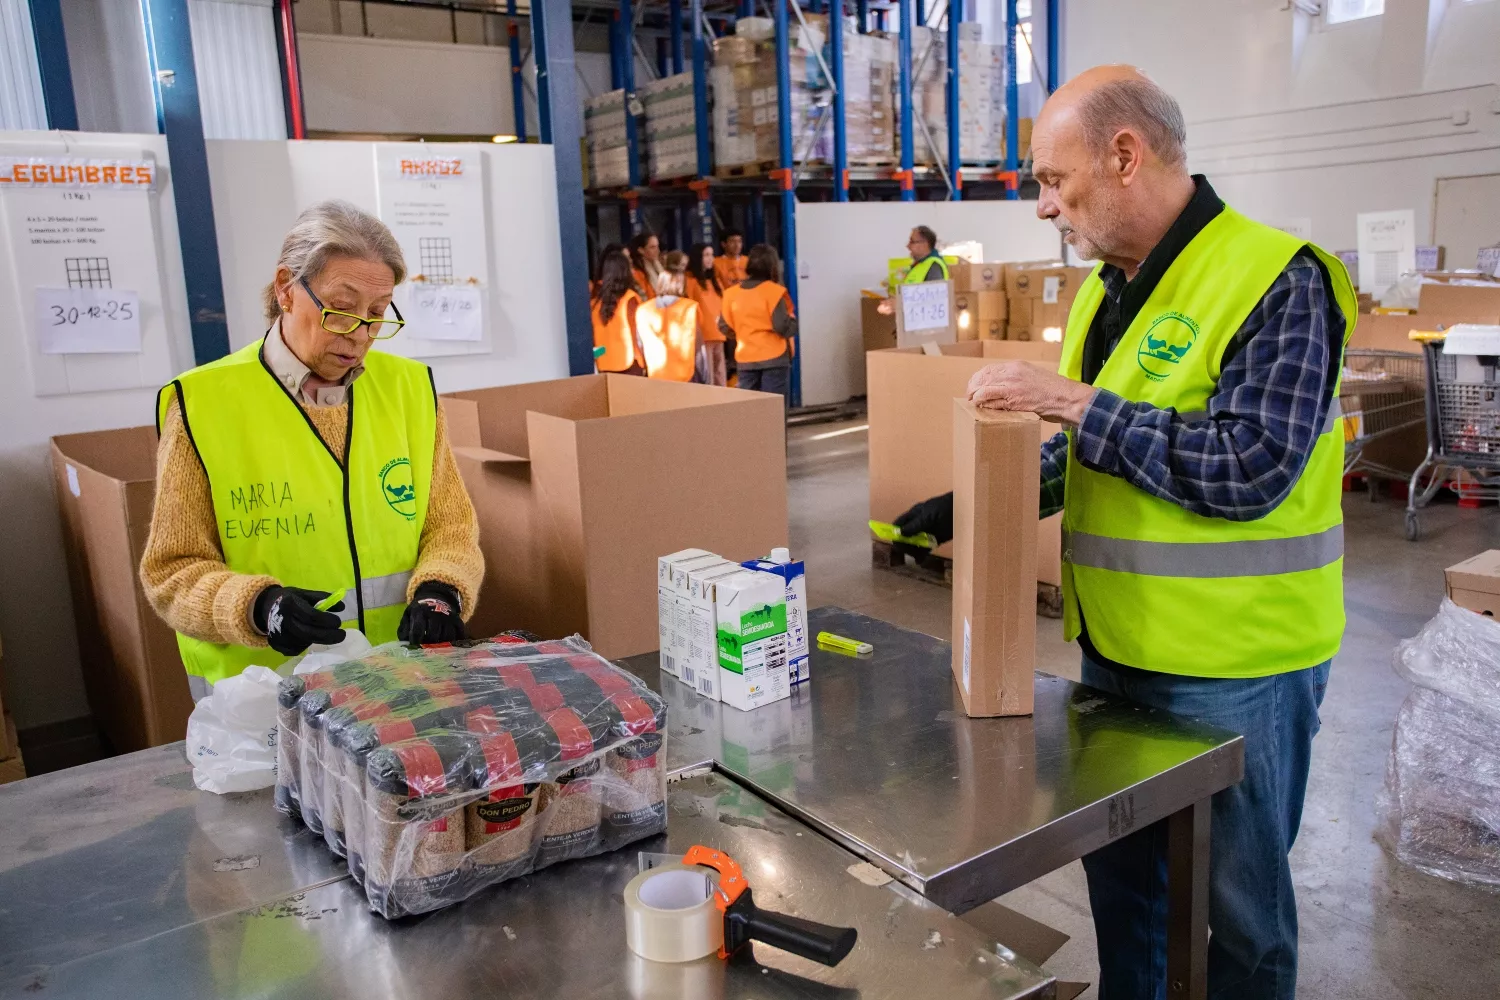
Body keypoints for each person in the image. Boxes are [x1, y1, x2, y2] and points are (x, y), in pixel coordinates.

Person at [893, 66, 1353, 1000]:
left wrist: (1069, 400)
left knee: (1244, 919)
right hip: (1116, 654)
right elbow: (1102, 451)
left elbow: (1250, 468)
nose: (1042, 207)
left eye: (1053, 180)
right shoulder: (1108, 292)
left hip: (1240, 668)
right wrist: (986, 495)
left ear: (1124, 155)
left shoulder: (1279, 277)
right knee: (1128, 897)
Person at [141, 200, 485, 699]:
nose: (360, 336)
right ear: (285, 289)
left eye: (376, 314)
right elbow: (171, 573)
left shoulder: (409, 390)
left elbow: (450, 528)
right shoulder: (204, 404)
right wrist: (257, 607)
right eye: (341, 311)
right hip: (267, 706)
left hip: (402, 687)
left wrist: (441, 590)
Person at [719, 243, 797, 405]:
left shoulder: (730, 294)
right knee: (773, 410)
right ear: (773, 266)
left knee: (750, 409)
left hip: (746, 359)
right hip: (774, 358)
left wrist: (743, 332)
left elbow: (724, 326)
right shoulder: (773, 292)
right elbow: (782, 327)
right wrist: (793, 322)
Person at [637, 250, 702, 382]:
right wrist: (705, 378)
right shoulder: (690, 307)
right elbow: (699, 348)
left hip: (656, 374)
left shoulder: (643, 310)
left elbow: (640, 344)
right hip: (686, 374)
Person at [592, 251, 646, 375]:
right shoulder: (630, 299)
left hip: (603, 364)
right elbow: (640, 335)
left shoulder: (594, 304)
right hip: (630, 363)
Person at [878, 225, 949, 315]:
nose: (908, 246)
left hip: (928, 326)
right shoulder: (919, 266)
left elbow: (933, 301)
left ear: (924, 244)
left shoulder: (934, 266)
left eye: (912, 242)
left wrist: (900, 304)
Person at [685, 242, 728, 386]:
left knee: (720, 373)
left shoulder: (714, 281)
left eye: (712, 255)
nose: (711, 259)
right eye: (706, 255)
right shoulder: (690, 281)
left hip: (718, 333)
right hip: (704, 335)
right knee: (708, 375)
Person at [629, 231, 662, 299]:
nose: (657, 250)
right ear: (641, 250)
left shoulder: (659, 267)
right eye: (652, 247)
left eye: (657, 246)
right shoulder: (636, 273)